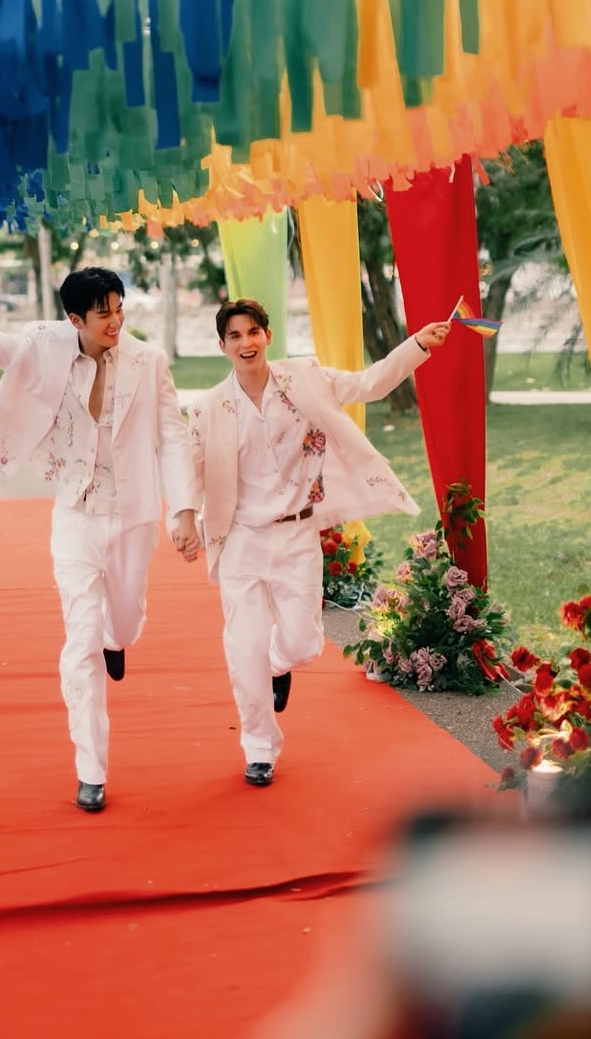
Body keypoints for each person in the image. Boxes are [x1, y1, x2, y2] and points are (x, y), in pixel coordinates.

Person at [0, 237, 200, 813]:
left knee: (124, 620)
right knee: (79, 642)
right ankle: (91, 770)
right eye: (104, 313)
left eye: (119, 308)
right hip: (74, 515)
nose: (116, 321)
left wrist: (183, 510)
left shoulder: (149, 361)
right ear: (75, 319)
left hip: (133, 517)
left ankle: (116, 639)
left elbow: (173, 437)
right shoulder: (44, 347)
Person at [188, 299, 449, 788]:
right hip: (242, 539)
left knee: (303, 643)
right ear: (222, 345)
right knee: (243, 647)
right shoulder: (208, 408)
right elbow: (190, 468)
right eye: (235, 336)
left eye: (253, 332)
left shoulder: (306, 378)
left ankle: (277, 663)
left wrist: (417, 344)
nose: (246, 343)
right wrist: (183, 517)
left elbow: (369, 384)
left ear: (267, 336)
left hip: (296, 534)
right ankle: (259, 749)